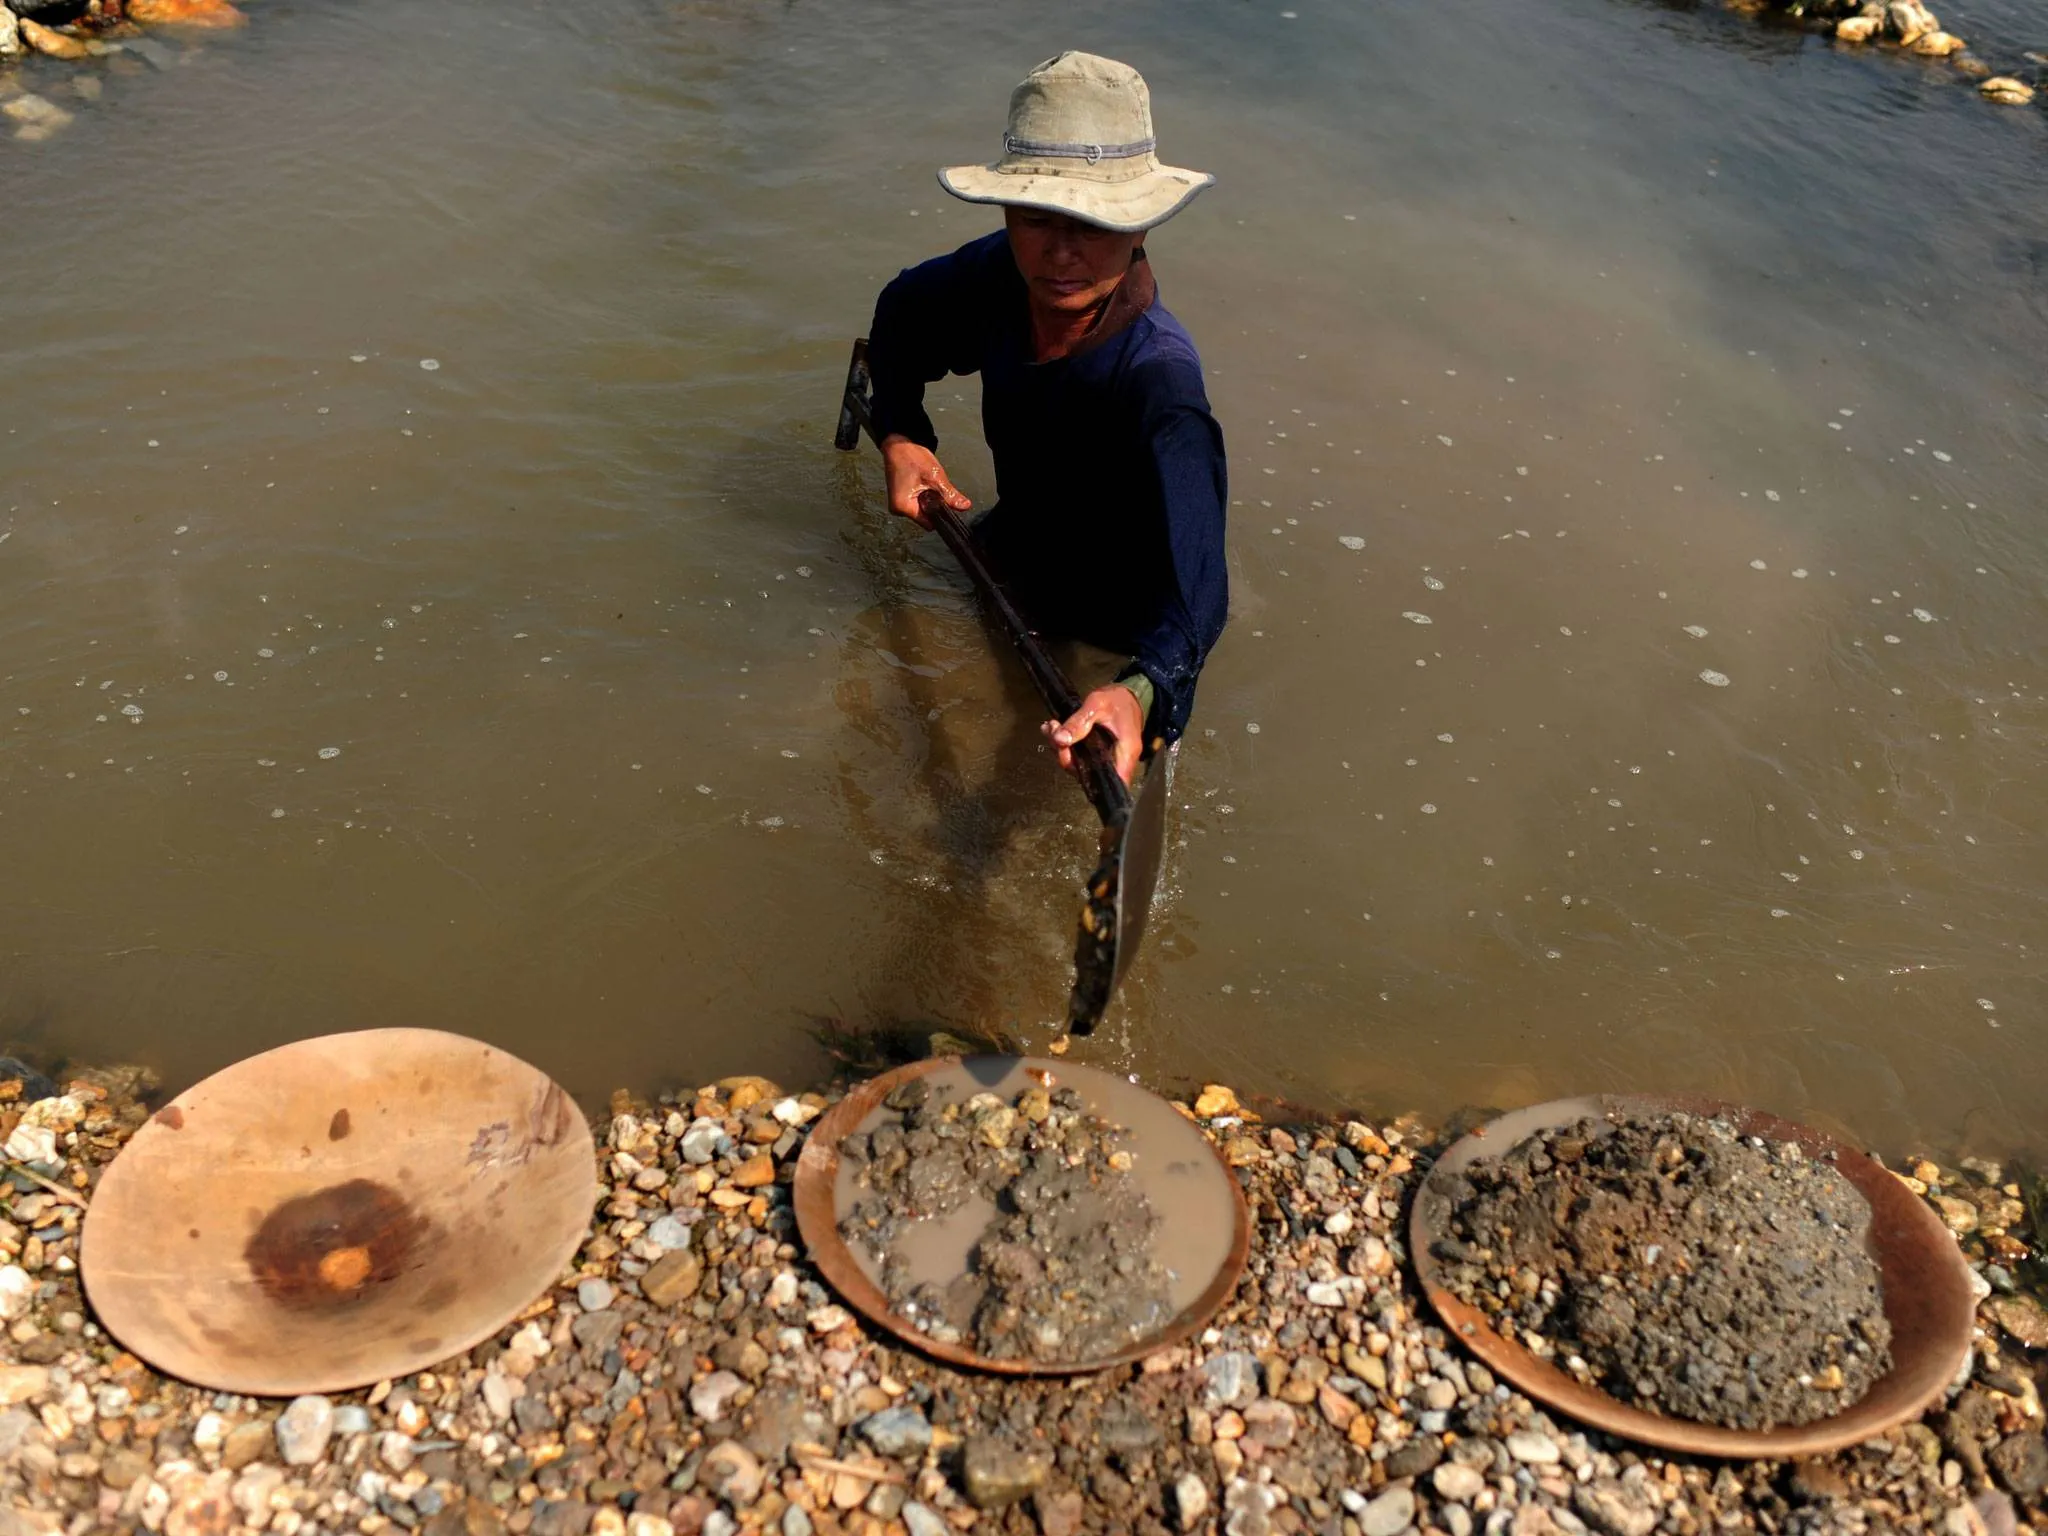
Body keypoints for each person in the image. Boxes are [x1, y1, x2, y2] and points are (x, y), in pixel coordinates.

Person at [865, 51, 1228, 787]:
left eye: (1093, 224)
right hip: (1010, 555)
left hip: (1121, 623)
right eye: (1037, 217)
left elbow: (1199, 590)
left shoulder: (1160, 386)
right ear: (1007, 213)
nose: (1062, 251)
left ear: (1140, 229)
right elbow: (902, 312)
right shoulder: (1001, 273)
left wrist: (1138, 690)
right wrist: (902, 434)